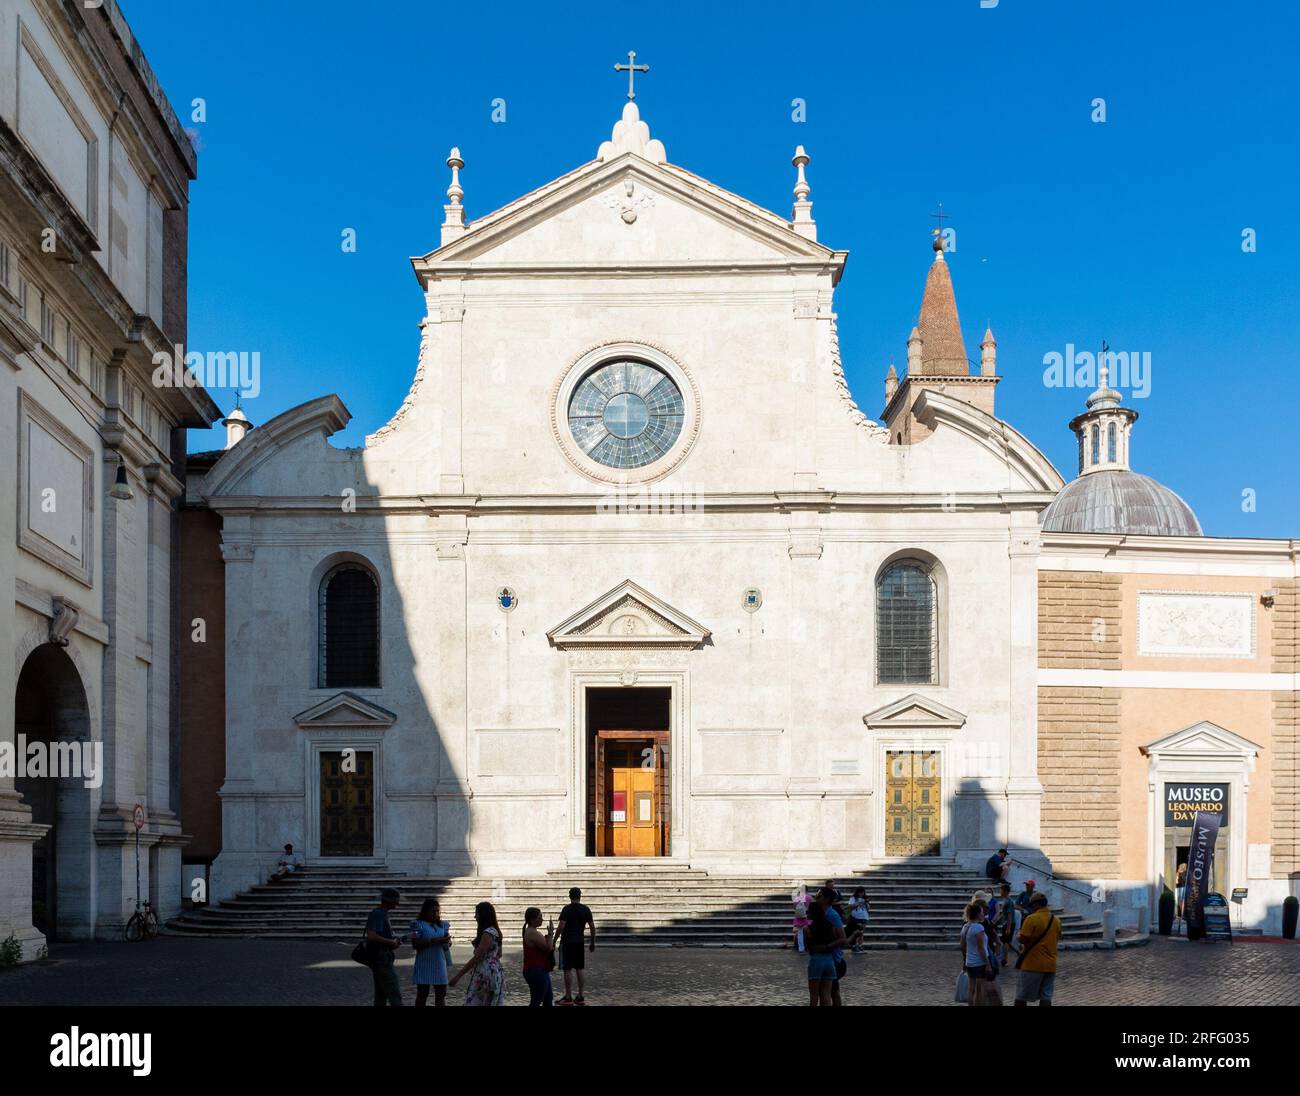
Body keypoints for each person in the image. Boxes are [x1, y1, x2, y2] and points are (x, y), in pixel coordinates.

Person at [450, 901, 504, 1006]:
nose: (475, 916)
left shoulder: (487, 933)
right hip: (495, 971)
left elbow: (477, 958)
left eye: (477, 913)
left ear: (483, 915)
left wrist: (458, 976)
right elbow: (499, 954)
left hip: (485, 973)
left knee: (476, 1001)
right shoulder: (496, 931)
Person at [1014, 892, 1061, 1007]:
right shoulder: (1056, 920)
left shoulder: (1032, 919)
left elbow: (1023, 939)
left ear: (1035, 905)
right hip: (1050, 965)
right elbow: (1057, 937)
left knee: (1021, 997)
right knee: (1046, 997)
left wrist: (1017, 936)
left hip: (1032, 964)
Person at [556, 886, 596, 1006]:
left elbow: (561, 926)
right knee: (579, 968)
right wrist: (592, 942)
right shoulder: (586, 909)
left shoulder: (566, 909)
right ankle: (580, 995)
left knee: (567, 969)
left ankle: (568, 996)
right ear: (580, 896)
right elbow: (592, 927)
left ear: (570, 896)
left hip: (567, 941)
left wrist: (554, 941)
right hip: (579, 941)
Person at [364, 888, 404, 1007]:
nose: (398, 903)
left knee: (381, 994)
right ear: (390, 901)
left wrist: (393, 942)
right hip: (381, 957)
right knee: (393, 991)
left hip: (383, 956)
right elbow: (371, 935)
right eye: (396, 901)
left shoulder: (382, 913)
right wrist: (391, 942)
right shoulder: (378, 914)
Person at [409, 898, 451, 1007]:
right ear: (425, 911)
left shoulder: (443, 925)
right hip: (424, 963)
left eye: (438, 911)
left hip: (439, 963)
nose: (436, 914)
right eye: (433, 911)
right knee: (422, 994)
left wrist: (447, 941)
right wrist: (433, 941)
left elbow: (447, 942)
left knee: (441, 993)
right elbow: (415, 944)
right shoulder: (417, 925)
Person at [817, 887, 849, 1006]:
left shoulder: (832, 915)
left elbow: (843, 938)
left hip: (834, 960)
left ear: (826, 899)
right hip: (825, 958)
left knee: (831, 992)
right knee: (828, 992)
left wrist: (827, 946)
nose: (816, 897)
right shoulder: (820, 913)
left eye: (819, 896)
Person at [522, 907, 556, 1007]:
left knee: (547, 999)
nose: (542, 919)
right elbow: (548, 948)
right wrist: (550, 933)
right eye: (539, 917)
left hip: (539, 969)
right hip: (536, 970)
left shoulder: (531, 931)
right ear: (532, 919)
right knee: (537, 1000)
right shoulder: (532, 932)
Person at [960, 902, 993, 1006]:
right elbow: (981, 948)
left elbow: (962, 945)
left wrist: (965, 959)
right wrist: (987, 964)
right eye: (982, 912)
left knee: (971, 989)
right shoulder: (979, 928)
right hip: (979, 963)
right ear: (978, 914)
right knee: (980, 990)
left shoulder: (965, 927)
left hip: (970, 962)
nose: (983, 914)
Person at [805, 900, 837, 1006]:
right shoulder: (830, 925)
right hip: (829, 960)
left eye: (808, 911)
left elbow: (809, 949)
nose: (807, 913)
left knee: (814, 996)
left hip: (816, 961)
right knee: (826, 995)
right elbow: (834, 941)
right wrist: (826, 947)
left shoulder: (807, 929)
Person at [847, 887, 870, 952]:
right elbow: (850, 906)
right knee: (857, 932)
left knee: (862, 933)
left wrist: (866, 903)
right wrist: (859, 903)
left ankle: (860, 946)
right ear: (857, 892)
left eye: (863, 892)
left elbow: (868, 908)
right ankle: (855, 945)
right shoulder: (853, 898)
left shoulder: (865, 899)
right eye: (860, 892)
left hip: (864, 917)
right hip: (856, 917)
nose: (861, 894)